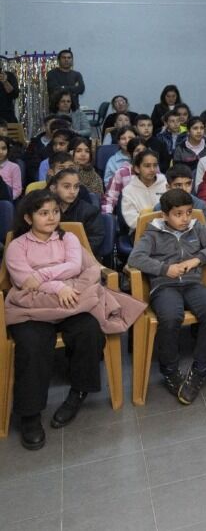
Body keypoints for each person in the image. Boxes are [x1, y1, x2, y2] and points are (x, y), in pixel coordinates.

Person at [3, 190, 141, 450]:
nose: (51, 217)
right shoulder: (17, 246)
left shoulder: (69, 238)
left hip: (71, 301)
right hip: (35, 307)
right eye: (43, 213)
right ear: (28, 217)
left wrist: (43, 276)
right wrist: (58, 286)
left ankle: (78, 392)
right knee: (32, 345)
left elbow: (75, 267)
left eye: (55, 211)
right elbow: (25, 282)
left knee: (89, 330)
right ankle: (30, 415)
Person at [128, 188, 206, 404]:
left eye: (188, 212)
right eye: (178, 214)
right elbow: (135, 258)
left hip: (192, 283)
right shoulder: (152, 232)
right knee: (171, 316)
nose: (185, 218)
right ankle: (170, 369)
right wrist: (165, 269)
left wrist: (197, 259)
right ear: (164, 215)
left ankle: (200, 367)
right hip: (165, 286)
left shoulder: (196, 227)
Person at [48, 167, 103, 252]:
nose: (72, 191)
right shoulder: (46, 210)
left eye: (76, 186)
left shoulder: (90, 211)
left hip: (82, 257)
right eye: (66, 187)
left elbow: (94, 241)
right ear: (54, 188)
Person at [101, 137, 151, 215]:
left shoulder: (155, 170)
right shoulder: (122, 173)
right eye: (137, 151)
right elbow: (110, 199)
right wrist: (107, 218)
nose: (142, 153)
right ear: (130, 154)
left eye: (144, 150)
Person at [121, 149, 167, 233]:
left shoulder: (165, 184)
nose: (152, 169)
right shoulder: (128, 190)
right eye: (147, 166)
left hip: (165, 229)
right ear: (137, 169)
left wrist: (146, 214)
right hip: (140, 230)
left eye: (155, 165)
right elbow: (132, 221)